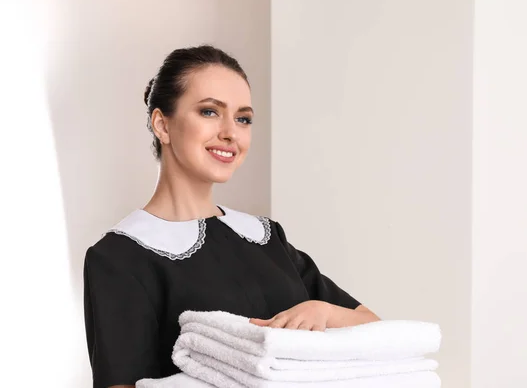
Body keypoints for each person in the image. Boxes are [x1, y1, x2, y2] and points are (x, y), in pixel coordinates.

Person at [83, 45, 380, 388]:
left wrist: (323, 311)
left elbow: (374, 327)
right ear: (162, 125)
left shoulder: (266, 237)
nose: (231, 133)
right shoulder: (120, 258)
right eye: (210, 112)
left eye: (243, 118)